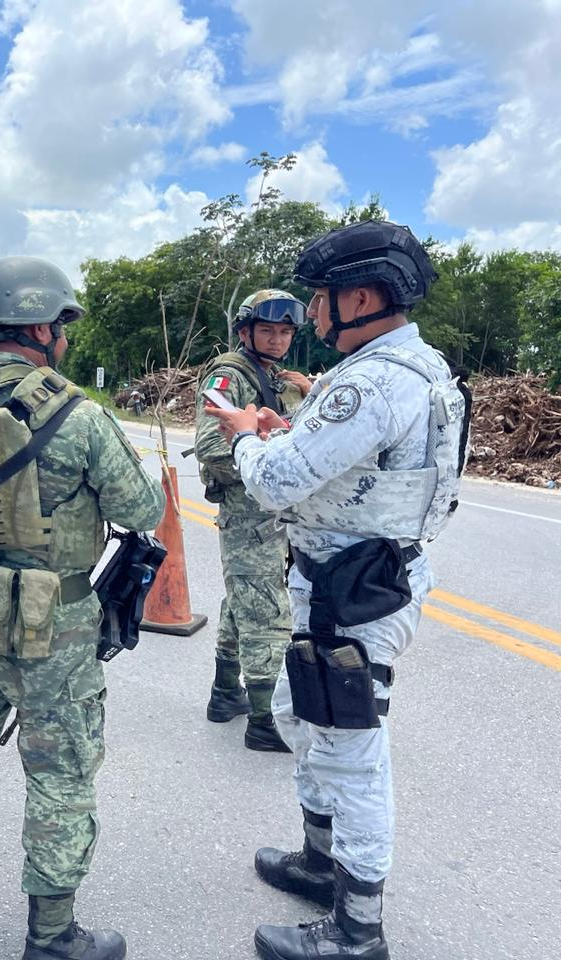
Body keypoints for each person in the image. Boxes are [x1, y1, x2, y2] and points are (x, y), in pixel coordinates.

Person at [204, 221, 469, 960]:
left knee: (352, 749)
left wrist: (245, 434)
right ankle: (319, 862)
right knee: (303, 715)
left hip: (357, 592)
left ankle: (356, 927)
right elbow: (364, 462)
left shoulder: (372, 381)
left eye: (321, 301)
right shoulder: (421, 368)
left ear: (360, 296)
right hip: (351, 580)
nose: (312, 317)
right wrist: (286, 427)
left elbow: (278, 480)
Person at [0, 256, 165, 960]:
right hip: (57, 633)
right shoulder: (78, 415)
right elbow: (144, 511)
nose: (67, 340)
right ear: (39, 327)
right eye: (63, 326)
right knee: (61, 777)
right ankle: (51, 935)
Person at [194, 290, 311, 752]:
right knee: (267, 611)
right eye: (268, 330)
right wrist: (261, 446)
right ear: (246, 332)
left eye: (285, 331)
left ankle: (226, 694)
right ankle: (265, 721)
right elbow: (210, 445)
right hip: (249, 515)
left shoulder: (275, 376)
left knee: (245, 599)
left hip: (272, 513)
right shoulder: (229, 375)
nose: (278, 339)